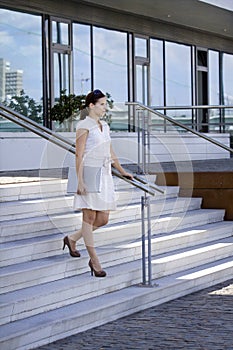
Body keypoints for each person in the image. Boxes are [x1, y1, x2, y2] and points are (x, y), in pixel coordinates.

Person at [63, 89, 133, 277]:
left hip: (104, 174)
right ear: (91, 106)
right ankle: (94, 261)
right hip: (89, 172)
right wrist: (80, 181)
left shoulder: (104, 125)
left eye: (105, 104)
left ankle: (72, 238)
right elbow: (79, 154)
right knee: (90, 218)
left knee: (103, 219)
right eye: (102, 104)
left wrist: (122, 170)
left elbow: (110, 151)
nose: (105, 107)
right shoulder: (84, 125)